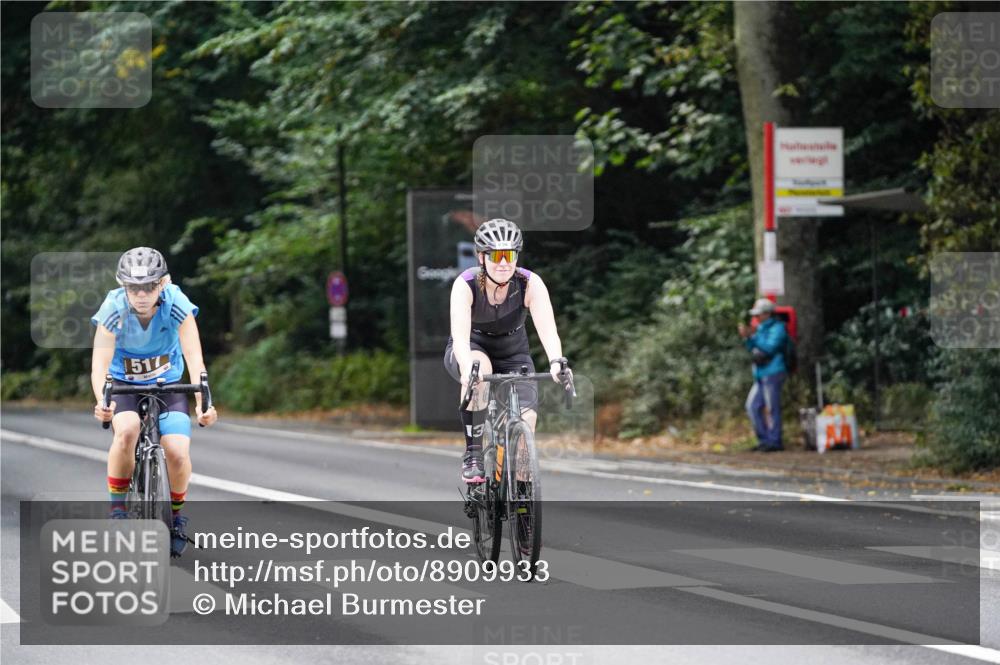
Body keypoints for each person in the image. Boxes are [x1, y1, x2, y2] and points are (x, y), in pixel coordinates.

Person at [91, 247, 218, 557]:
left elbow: (194, 358)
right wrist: (103, 403)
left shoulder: (176, 303)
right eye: (133, 287)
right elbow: (99, 364)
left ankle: (175, 518)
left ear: (164, 283)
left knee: (176, 450)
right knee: (127, 431)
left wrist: (203, 403)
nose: (141, 295)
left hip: (168, 382)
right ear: (123, 286)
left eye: (149, 286)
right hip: (123, 384)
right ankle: (118, 510)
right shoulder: (113, 308)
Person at [444, 219, 570, 482]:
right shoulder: (465, 284)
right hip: (474, 346)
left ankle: (522, 499)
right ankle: (474, 453)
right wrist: (468, 369)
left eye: (510, 255)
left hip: (514, 352)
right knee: (480, 372)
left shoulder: (529, 282)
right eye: (496, 255)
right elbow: (460, 338)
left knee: (529, 421)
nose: (504, 262)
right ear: (481, 257)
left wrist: (557, 362)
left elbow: (548, 330)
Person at [738, 298, 788, 452]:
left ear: (767, 313)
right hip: (760, 374)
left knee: (772, 408)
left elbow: (770, 348)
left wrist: (753, 337)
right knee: (752, 406)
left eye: (759, 314)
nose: (756, 317)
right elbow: (753, 348)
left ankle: (775, 441)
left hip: (774, 371)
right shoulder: (759, 328)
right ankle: (764, 439)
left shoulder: (778, 328)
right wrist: (747, 337)